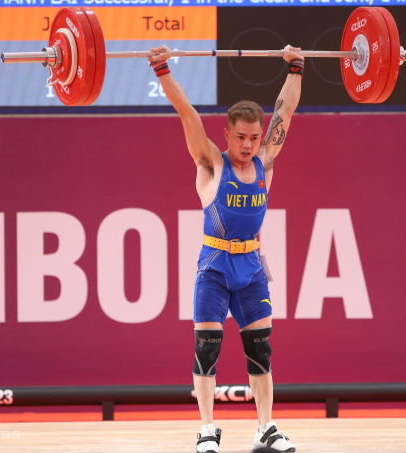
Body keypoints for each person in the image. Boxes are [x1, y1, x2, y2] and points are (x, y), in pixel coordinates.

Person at [148, 44, 304, 453]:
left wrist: (296, 67)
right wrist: (162, 69)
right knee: (207, 348)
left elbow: (285, 112)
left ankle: (266, 429)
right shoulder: (210, 164)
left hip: (251, 267)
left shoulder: (265, 163)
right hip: (214, 266)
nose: (249, 145)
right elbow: (188, 115)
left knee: (261, 349)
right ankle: (206, 429)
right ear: (227, 135)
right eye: (241, 137)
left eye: (255, 137)